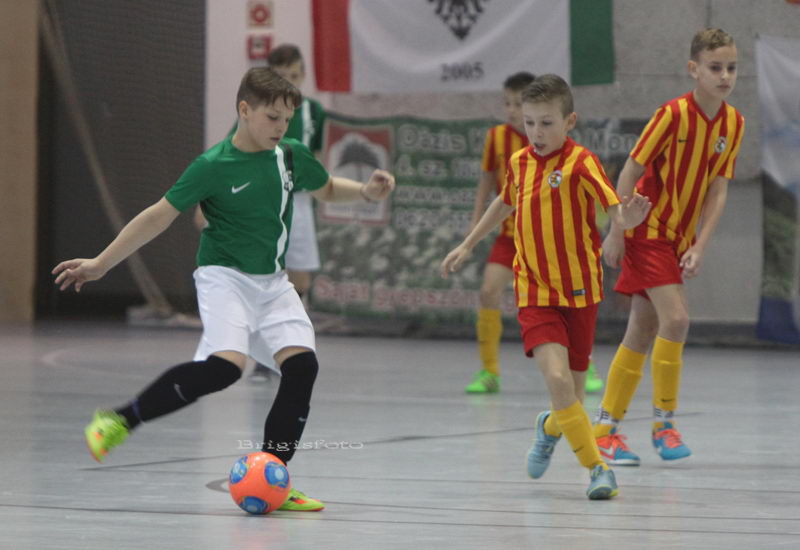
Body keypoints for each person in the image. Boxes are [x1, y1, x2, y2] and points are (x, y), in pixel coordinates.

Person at [54, 67, 395, 512]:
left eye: (286, 119)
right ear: (244, 110)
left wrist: (366, 192)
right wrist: (101, 263)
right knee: (224, 369)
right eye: (272, 117)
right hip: (224, 278)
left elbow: (327, 187)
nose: (281, 127)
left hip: (273, 283)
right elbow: (158, 215)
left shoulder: (290, 155)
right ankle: (118, 420)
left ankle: (273, 476)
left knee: (302, 367)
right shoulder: (213, 166)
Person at [441, 74, 651, 499]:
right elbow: (504, 201)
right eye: (530, 123)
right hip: (535, 292)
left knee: (571, 394)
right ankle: (598, 470)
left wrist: (625, 222)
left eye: (547, 123)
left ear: (569, 121)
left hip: (581, 291)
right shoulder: (519, 163)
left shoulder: (582, 163)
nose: (537, 132)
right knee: (556, 379)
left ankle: (549, 426)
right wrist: (468, 244)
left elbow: (613, 206)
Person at [592, 28, 744, 466]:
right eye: (715, 68)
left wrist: (700, 244)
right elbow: (628, 171)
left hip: (678, 236)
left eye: (732, 68)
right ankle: (664, 424)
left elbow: (718, 190)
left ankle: (604, 431)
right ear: (694, 69)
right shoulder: (671, 115)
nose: (724, 76)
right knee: (676, 320)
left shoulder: (733, 124)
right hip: (647, 228)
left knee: (642, 329)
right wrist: (618, 229)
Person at [465, 71, 604, 395]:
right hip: (512, 236)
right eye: (508, 104)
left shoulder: (569, 152)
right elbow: (490, 183)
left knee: (574, 308)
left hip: (557, 243)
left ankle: (584, 363)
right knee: (489, 290)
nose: (512, 111)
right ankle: (489, 371)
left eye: (518, 103)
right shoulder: (499, 140)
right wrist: (474, 224)